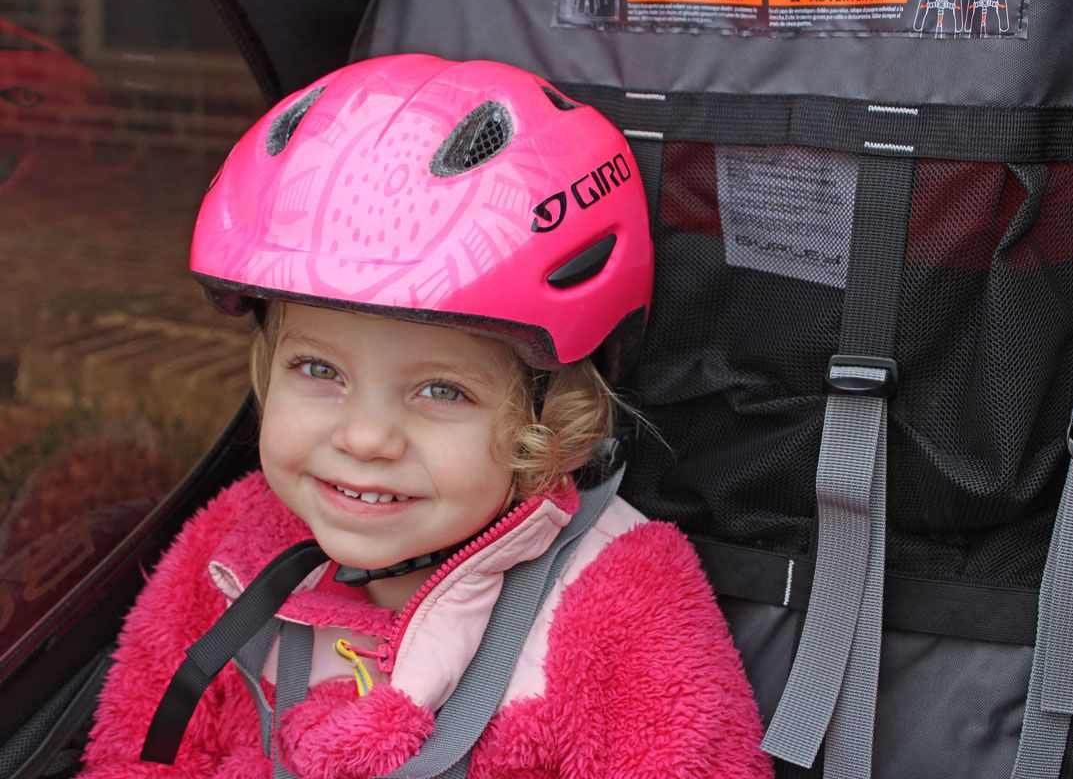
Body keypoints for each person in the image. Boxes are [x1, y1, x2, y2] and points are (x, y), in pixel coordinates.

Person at [79, 54, 772, 779]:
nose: (365, 437)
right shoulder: (228, 546)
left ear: (551, 415)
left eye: (442, 391)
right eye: (319, 370)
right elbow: (136, 757)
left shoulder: (619, 600)